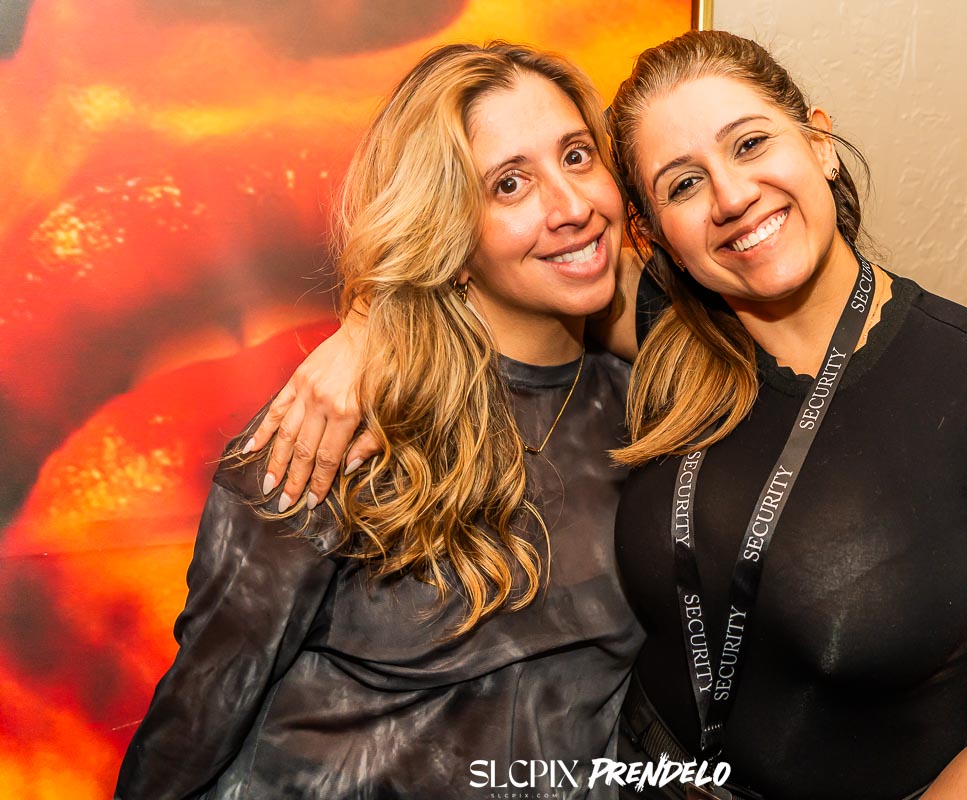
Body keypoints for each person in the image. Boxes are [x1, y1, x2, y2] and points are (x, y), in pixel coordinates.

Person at [252, 31, 967, 800]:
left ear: (819, 141)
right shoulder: (673, 330)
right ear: (655, 231)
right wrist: (365, 331)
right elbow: (468, 260)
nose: (732, 196)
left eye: (751, 143)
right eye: (683, 184)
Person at [115, 42, 642, 799]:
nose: (571, 206)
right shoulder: (337, 425)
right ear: (447, 227)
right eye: (509, 184)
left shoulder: (648, 415)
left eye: (577, 155)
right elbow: (201, 712)